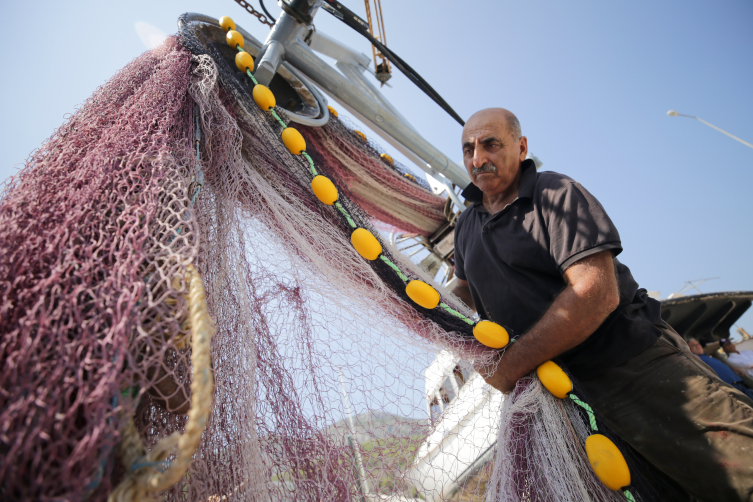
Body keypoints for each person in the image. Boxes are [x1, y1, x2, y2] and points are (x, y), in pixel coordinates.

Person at [451, 107, 753, 502]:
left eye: (491, 144)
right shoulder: (465, 227)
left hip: (634, 368)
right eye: (468, 148)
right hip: (568, 406)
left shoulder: (553, 194)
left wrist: (509, 365)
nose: (478, 158)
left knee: (737, 471)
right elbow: (462, 290)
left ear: (521, 147)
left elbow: (595, 294)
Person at [687, 338, 753, 399]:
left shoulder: (708, 357)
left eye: (698, 344)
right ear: (688, 349)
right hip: (728, 387)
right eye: (693, 345)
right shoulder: (695, 358)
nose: (697, 346)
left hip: (738, 382)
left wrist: (731, 368)